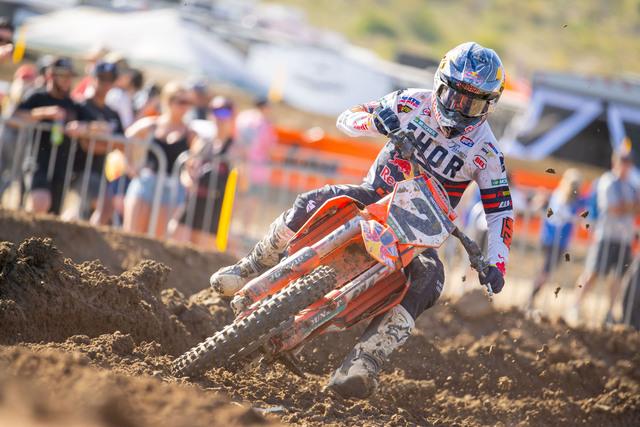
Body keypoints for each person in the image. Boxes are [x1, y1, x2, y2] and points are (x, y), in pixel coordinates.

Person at [209, 42, 514, 399]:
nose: (460, 108)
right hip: (374, 195)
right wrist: (373, 120)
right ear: (439, 84)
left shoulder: (487, 151)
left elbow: (500, 211)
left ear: (488, 105)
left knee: (431, 280)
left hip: (420, 230)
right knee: (313, 200)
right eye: (454, 96)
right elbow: (348, 117)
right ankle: (252, 265)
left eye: (472, 103)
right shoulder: (410, 103)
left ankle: (365, 360)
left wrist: (497, 263)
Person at [569, 149, 640, 324]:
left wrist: (628, 206)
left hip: (624, 238)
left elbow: (633, 208)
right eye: (623, 162)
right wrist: (630, 206)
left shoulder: (631, 185)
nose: (626, 167)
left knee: (617, 277)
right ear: (615, 162)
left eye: (628, 163)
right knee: (593, 272)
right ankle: (575, 306)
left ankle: (610, 312)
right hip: (606, 236)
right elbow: (614, 207)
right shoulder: (607, 181)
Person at [123, 81, 196, 237]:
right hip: (146, 183)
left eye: (189, 102)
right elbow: (128, 135)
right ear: (168, 101)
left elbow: (192, 162)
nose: (185, 107)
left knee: (156, 241)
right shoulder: (153, 124)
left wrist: (189, 176)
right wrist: (129, 165)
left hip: (171, 189)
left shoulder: (190, 133)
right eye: (181, 101)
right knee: (131, 236)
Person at [12, 57, 82, 214]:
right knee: (40, 201)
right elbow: (15, 117)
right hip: (37, 161)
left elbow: (87, 124)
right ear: (51, 75)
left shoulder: (73, 104)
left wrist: (81, 127)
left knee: (53, 215)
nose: (67, 80)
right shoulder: (37, 97)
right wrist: (44, 113)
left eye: (69, 76)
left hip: (61, 166)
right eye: (63, 75)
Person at [171, 96, 236, 248]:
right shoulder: (203, 142)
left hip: (215, 208)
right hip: (194, 201)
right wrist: (188, 180)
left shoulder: (235, 148)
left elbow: (243, 184)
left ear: (232, 117)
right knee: (174, 240)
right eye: (215, 111)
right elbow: (187, 168)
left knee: (203, 251)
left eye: (224, 112)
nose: (220, 117)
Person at [66, 61, 124, 225]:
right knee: (105, 207)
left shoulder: (113, 113)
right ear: (92, 78)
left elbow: (122, 144)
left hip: (100, 172)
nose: (106, 83)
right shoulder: (80, 106)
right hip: (79, 170)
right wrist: (107, 141)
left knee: (82, 214)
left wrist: (97, 137)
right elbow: (87, 145)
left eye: (110, 79)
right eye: (102, 78)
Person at [526, 168, 584, 309]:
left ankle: (532, 297)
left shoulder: (558, 195)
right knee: (546, 271)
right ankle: (531, 298)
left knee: (545, 270)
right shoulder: (569, 200)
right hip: (556, 241)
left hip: (549, 238)